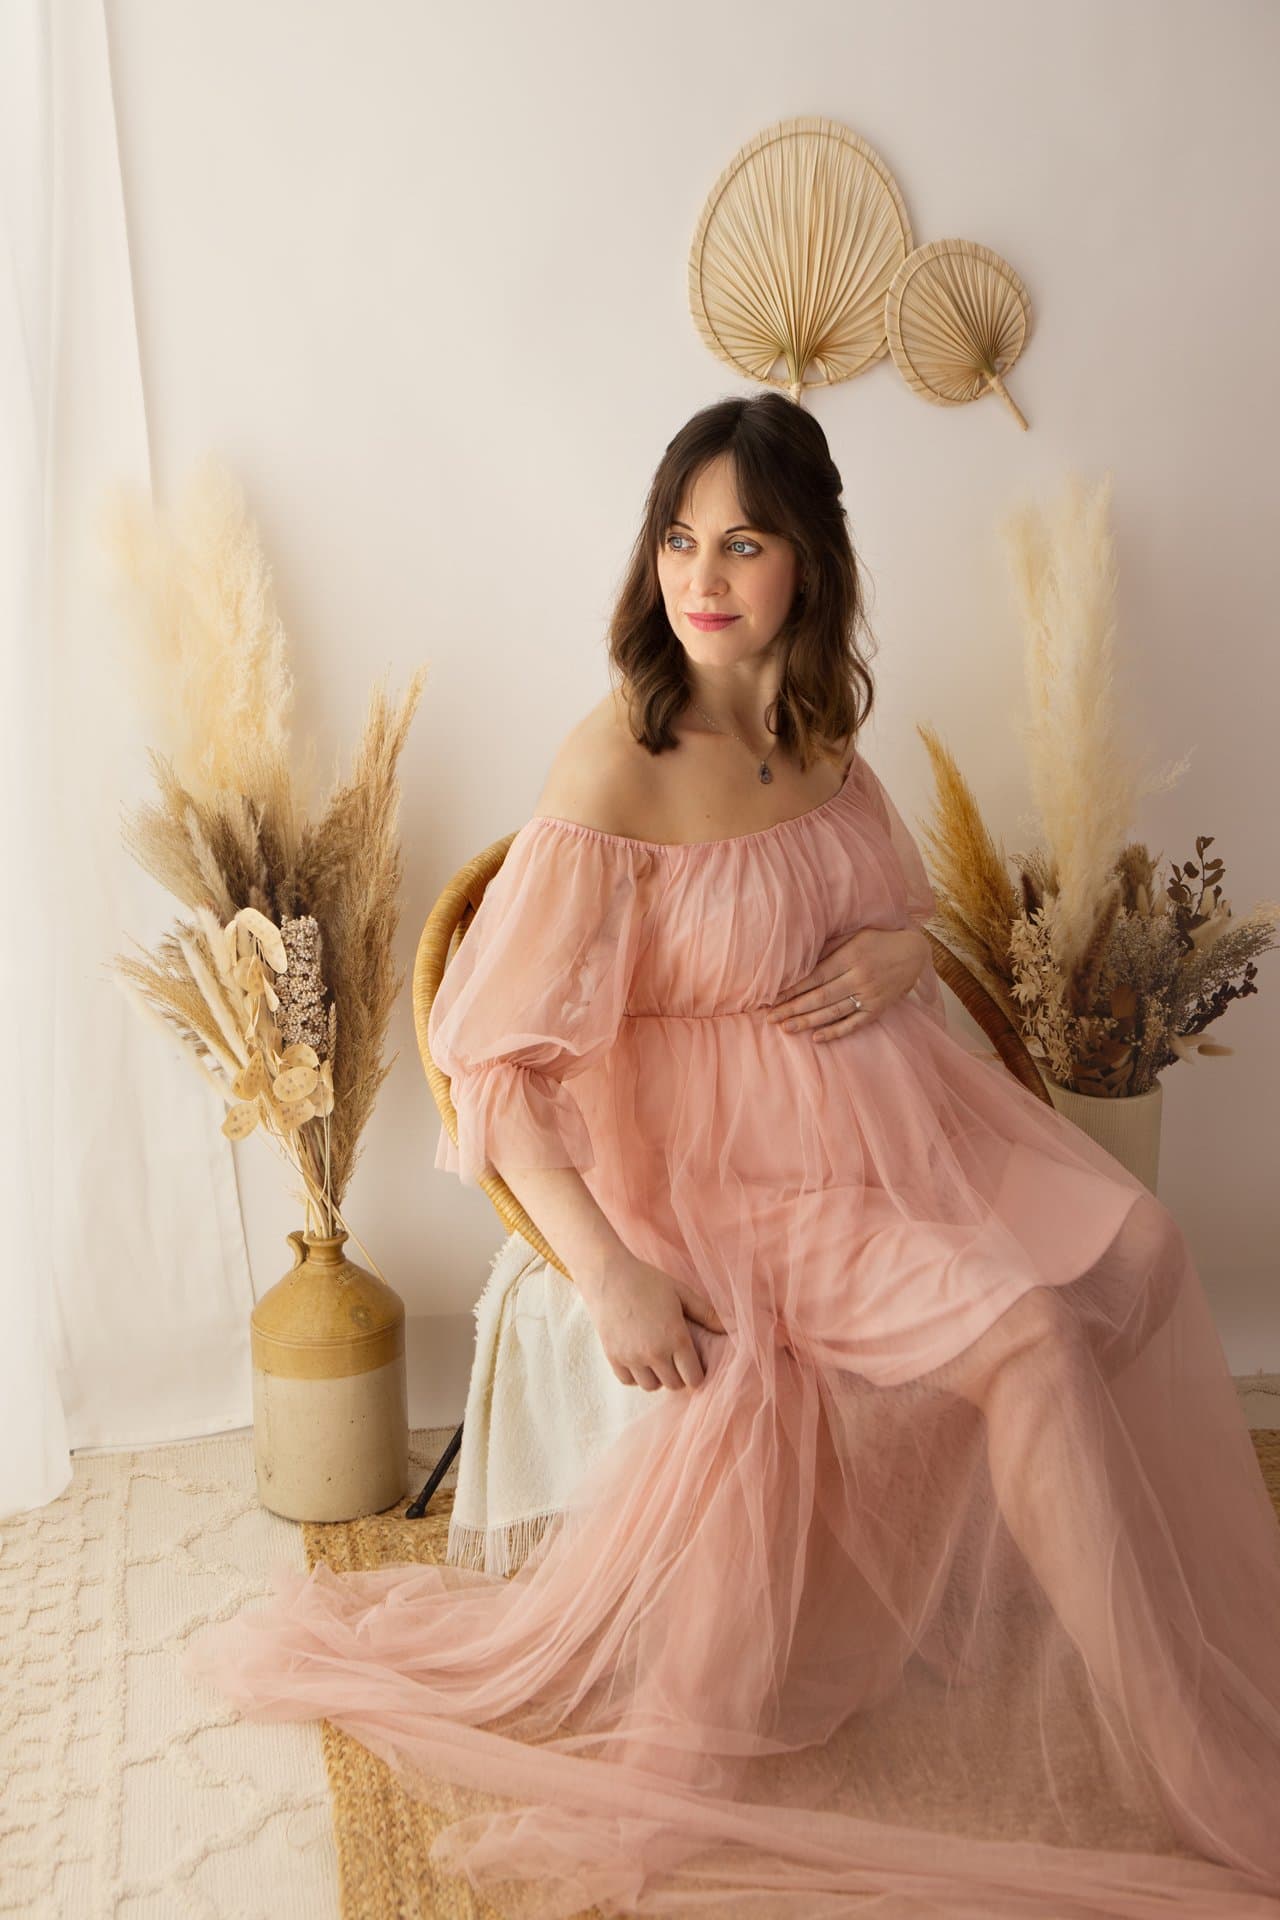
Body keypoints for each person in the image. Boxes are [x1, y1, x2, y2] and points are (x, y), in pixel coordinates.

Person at [184, 395, 1280, 1919]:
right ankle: (1183, 1749)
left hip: (900, 1120)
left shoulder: (820, 734)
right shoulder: (618, 764)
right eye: (680, 537)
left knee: (1145, 1253)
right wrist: (610, 1267)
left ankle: (1140, 1633)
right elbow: (489, 1057)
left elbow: (879, 904)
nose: (702, 575)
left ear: (809, 565)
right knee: (1027, 1334)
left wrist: (901, 952)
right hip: (731, 1176)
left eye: (744, 542)